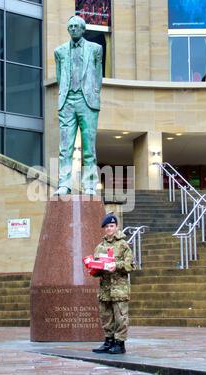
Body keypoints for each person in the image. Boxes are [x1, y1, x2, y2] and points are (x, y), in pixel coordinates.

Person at [54, 15, 103, 196]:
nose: (73, 29)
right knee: (65, 147)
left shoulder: (95, 49)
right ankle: (64, 184)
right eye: (70, 27)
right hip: (67, 101)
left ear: (83, 29)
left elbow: (98, 76)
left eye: (76, 26)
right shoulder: (59, 52)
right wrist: (66, 95)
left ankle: (90, 184)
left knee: (89, 146)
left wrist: (93, 94)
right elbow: (60, 78)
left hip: (87, 101)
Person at [92, 213, 135, 354]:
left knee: (120, 317)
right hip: (105, 288)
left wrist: (116, 265)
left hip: (119, 287)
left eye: (112, 226)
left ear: (116, 227)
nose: (109, 229)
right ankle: (108, 341)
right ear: (104, 228)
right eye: (107, 226)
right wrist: (93, 269)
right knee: (106, 316)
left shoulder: (123, 245)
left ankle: (119, 343)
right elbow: (97, 267)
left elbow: (131, 265)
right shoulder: (100, 247)